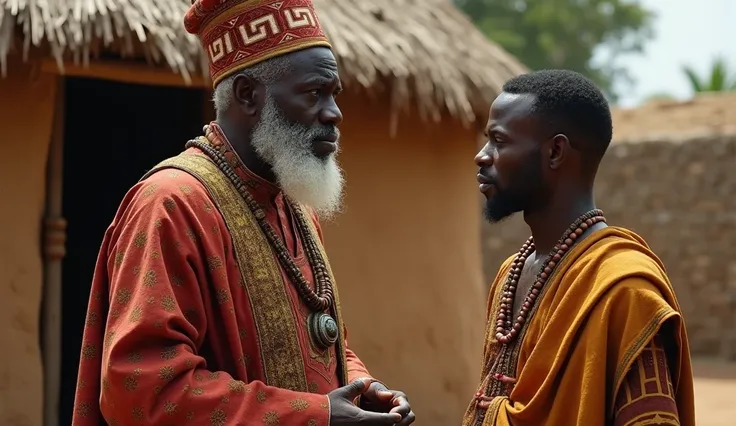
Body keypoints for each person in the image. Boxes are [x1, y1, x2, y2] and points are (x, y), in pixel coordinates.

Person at [71, 0, 415, 425]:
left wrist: (362, 388)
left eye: (333, 95)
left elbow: (323, 342)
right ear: (249, 95)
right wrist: (316, 416)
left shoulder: (297, 207)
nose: (334, 113)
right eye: (313, 93)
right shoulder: (172, 204)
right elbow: (143, 389)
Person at [463, 69, 695, 426]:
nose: (482, 156)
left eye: (499, 140)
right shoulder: (511, 274)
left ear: (555, 151)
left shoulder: (625, 291)